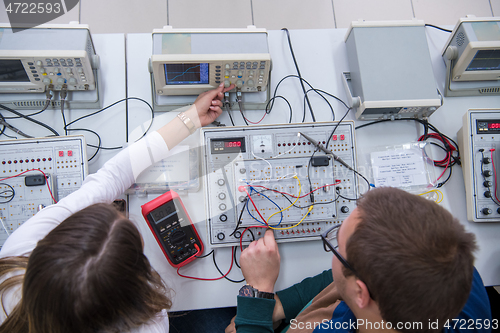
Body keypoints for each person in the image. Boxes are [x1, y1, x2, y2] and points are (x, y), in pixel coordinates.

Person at [0, 83, 234, 333]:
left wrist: (191, 118)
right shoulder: (150, 325)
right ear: (129, 293)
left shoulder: (17, 253)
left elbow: (113, 175)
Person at [227, 187, 493, 333]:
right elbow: (346, 278)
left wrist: (259, 291)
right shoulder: (455, 266)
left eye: (336, 246)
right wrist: (281, 305)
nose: (333, 251)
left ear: (360, 293)